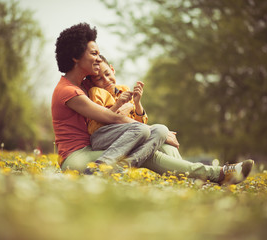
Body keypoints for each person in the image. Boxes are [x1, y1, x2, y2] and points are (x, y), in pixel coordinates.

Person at [51, 22, 254, 185]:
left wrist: (158, 132)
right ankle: (217, 174)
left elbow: (117, 110)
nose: (98, 59)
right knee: (150, 145)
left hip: (99, 146)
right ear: (76, 57)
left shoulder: (85, 83)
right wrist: (158, 132)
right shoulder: (69, 92)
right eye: (94, 54)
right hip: (76, 157)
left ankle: (192, 179)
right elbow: (111, 118)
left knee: (158, 145)